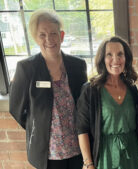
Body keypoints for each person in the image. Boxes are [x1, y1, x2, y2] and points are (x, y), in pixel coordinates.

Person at [9, 9, 87, 169]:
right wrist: (38, 127)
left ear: (62, 35)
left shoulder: (77, 66)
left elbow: (84, 105)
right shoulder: (26, 68)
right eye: (42, 35)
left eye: (53, 33)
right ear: (36, 38)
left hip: (77, 147)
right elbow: (16, 109)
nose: (49, 39)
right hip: (48, 152)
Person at [76, 36, 138, 169]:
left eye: (120, 54)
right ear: (102, 59)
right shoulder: (90, 90)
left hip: (131, 152)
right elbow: (82, 129)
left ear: (126, 58)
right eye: (109, 55)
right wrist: (88, 163)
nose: (116, 59)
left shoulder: (131, 87)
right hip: (104, 154)